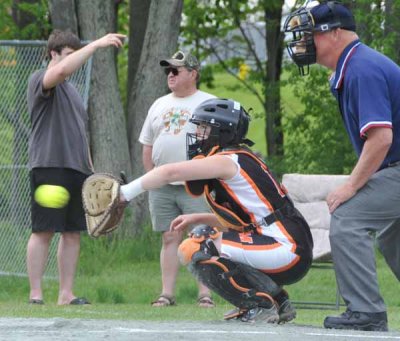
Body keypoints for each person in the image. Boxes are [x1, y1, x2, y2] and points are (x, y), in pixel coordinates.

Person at [122, 98, 314, 323]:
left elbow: (169, 173)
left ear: (221, 132)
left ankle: (258, 305)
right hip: (289, 246)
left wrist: (124, 193)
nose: (198, 134)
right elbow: (245, 224)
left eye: (204, 128)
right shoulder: (239, 158)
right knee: (204, 231)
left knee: (195, 246)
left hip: (286, 249)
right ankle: (279, 302)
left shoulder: (228, 160)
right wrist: (197, 216)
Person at [284, 0, 400, 332]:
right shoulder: (356, 65)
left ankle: (366, 312)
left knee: (348, 217)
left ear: (334, 33)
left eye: (308, 35)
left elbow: (380, 140)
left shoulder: (362, 68)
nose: (302, 43)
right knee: (394, 236)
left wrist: (351, 185)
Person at [26, 29, 125, 305]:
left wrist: (92, 173)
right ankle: (35, 294)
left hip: (76, 170)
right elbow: (59, 73)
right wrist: (94, 45)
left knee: (72, 234)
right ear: (53, 54)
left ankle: (65, 294)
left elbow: (81, 135)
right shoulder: (41, 80)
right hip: (49, 165)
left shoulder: (73, 93)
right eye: (68, 55)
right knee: (43, 230)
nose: (74, 61)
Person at [139, 50, 216, 307]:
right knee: (169, 237)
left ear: (193, 74)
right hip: (163, 185)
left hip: (196, 184)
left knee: (202, 236)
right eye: (167, 71)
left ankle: (205, 293)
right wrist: (152, 175)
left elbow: (221, 146)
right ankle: (167, 294)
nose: (170, 75)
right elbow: (148, 144)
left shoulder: (210, 103)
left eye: (176, 70)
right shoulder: (159, 104)